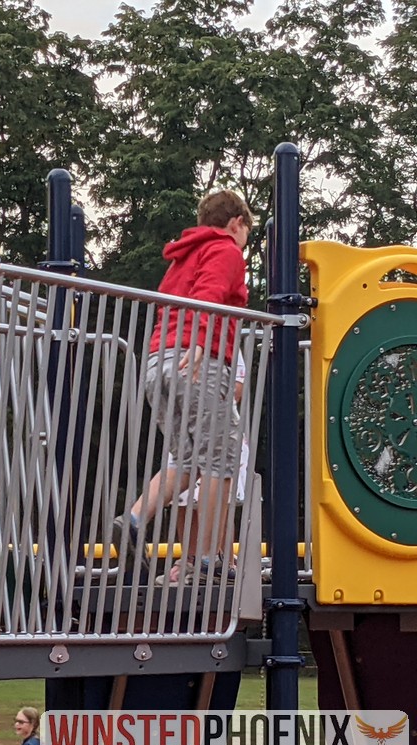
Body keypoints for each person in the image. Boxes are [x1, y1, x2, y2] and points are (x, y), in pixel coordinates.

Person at [113, 189, 251, 584]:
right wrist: (203, 341)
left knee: (187, 461)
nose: (245, 239)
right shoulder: (225, 249)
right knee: (222, 460)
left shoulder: (184, 255)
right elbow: (211, 294)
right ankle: (208, 560)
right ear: (236, 223)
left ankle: (134, 518)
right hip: (198, 362)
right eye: (247, 231)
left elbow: (171, 303)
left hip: (159, 363)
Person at [157, 350, 250, 585]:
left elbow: (237, 389)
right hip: (186, 427)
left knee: (220, 496)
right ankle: (189, 560)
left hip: (216, 426)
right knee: (183, 498)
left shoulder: (226, 343)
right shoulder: (177, 344)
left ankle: (223, 560)